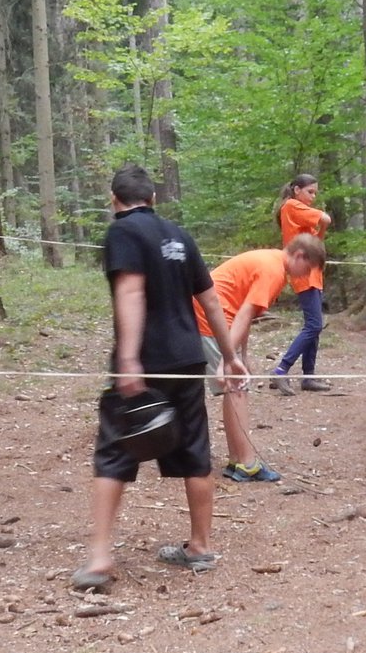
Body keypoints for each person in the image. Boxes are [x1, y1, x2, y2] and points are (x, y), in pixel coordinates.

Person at [73, 165, 245, 592]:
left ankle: (100, 557)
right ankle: (200, 546)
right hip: (188, 358)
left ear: (115, 200)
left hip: (147, 360)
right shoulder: (179, 236)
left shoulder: (122, 232)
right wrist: (229, 356)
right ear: (153, 198)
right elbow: (210, 300)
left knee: (114, 453)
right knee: (195, 451)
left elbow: (131, 290)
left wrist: (129, 359)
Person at [194, 239, 325, 482]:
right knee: (237, 386)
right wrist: (228, 359)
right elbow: (243, 313)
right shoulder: (273, 270)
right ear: (299, 255)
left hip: (221, 316)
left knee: (236, 387)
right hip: (211, 317)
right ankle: (246, 463)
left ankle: (237, 459)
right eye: (307, 270)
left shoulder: (272, 262)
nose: (305, 277)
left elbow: (245, 309)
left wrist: (242, 355)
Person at [269, 174, 333, 394]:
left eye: (315, 193)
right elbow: (325, 218)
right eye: (310, 192)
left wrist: (320, 231)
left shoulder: (301, 211)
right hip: (303, 272)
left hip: (313, 273)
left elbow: (317, 239)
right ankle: (281, 369)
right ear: (297, 190)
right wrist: (322, 223)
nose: (313, 197)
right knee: (314, 325)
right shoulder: (292, 206)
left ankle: (308, 376)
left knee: (314, 325)